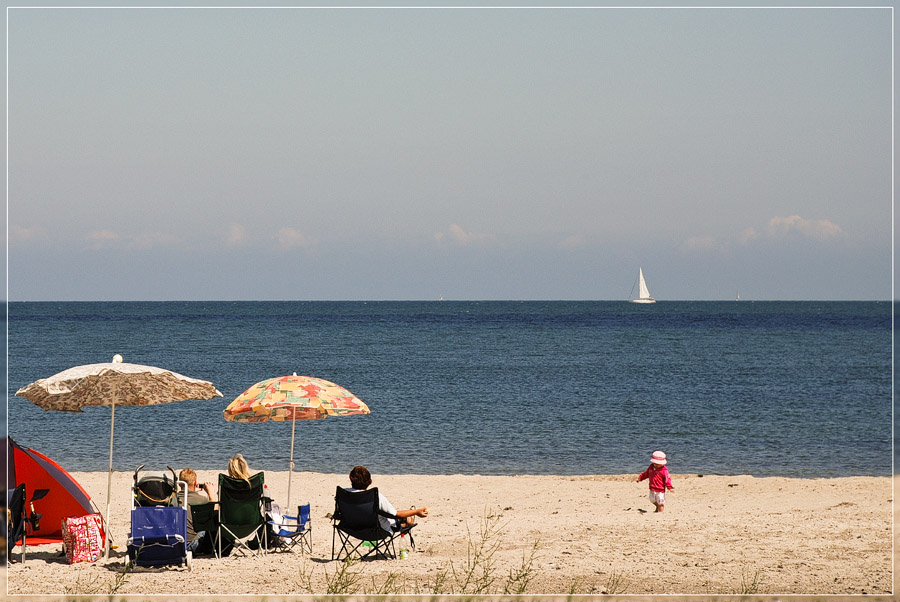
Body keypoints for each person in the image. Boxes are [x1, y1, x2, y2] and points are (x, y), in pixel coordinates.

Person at [346, 465, 428, 534]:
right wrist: (417, 512)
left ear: (350, 477)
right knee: (394, 517)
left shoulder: (345, 493)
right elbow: (395, 514)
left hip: (351, 528)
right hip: (376, 531)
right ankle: (405, 523)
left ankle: (406, 520)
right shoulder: (374, 496)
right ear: (370, 481)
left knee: (386, 515)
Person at [178, 468, 217, 553]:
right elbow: (215, 515)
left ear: (180, 484)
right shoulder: (201, 500)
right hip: (192, 545)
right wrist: (211, 495)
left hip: (176, 543)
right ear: (195, 482)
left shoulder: (173, 500)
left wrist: (193, 492)